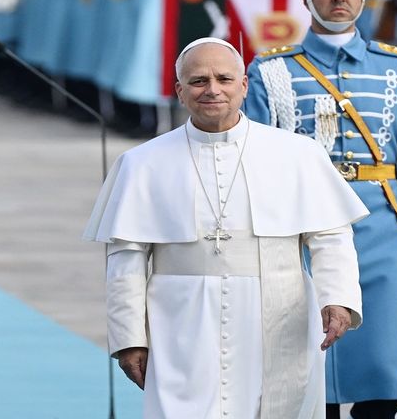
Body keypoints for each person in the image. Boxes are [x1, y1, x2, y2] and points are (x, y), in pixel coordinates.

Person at [84, 37, 369, 418]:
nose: (213, 89)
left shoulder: (298, 154)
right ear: (179, 91)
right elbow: (126, 261)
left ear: (244, 85)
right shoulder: (141, 163)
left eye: (224, 78)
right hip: (180, 323)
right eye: (199, 81)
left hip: (280, 311)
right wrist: (129, 337)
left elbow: (331, 237)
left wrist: (338, 299)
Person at [244, 0, 397, 418]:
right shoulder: (272, 70)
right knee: (312, 385)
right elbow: (251, 165)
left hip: (380, 234)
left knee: (383, 383)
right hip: (302, 235)